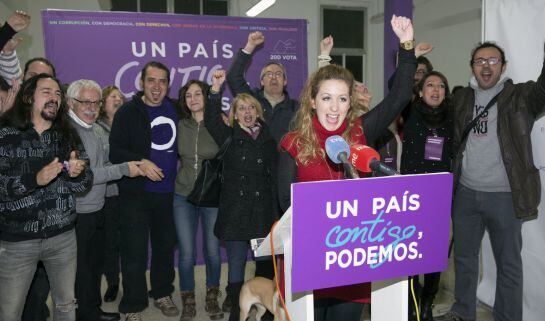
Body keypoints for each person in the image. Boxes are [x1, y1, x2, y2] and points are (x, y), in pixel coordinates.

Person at [278, 15, 416, 321]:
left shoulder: (360, 133)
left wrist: (406, 46)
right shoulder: (293, 143)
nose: (335, 107)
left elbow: (401, 96)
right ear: (313, 101)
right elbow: (285, 207)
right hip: (310, 259)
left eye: (342, 99)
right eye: (327, 98)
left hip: (349, 261)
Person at [435, 42, 545, 321]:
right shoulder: (461, 99)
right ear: (472, 66)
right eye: (479, 61)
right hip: (466, 195)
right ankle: (462, 312)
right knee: (464, 259)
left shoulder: (521, 96)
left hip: (506, 195)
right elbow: (431, 109)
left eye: (493, 60)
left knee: (509, 265)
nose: (486, 66)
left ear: (503, 66)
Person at [0, 73, 92, 321]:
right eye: (47, 92)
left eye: (58, 94)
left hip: (62, 237)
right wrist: (34, 180)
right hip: (17, 242)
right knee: (9, 312)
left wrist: (77, 173)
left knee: (66, 306)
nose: (54, 98)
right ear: (29, 97)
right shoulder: (6, 135)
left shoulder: (68, 135)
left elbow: (86, 182)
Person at [67, 79, 143, 321]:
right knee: (82, 268)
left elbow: (106, 163)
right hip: (78, 212)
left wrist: (133, 162)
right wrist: (124, 169)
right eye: (85, 102)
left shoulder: (96, 129)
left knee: (94, 265)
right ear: (71, 102)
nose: (92, 107)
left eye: (96, 102)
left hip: (98, 207)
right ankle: (83, 314)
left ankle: (92, 310)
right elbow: (87, 175)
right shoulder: (68, 133)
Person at [205, 70, 278, 321]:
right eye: (241, 108)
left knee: (265, 264)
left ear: (258, 112)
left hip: (262, 212)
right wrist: (215, 90)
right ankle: (237, 314)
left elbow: (276, 175)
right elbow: (211, 119)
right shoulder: (228, 135)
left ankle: (268, 313)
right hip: (236, 211)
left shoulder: (269, 140)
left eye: (251, 108)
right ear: (234, 115)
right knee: (235, 265)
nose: (247, 112)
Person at [110, 61, 180, 321]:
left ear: (168, 85)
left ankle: (162, 292)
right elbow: (115, 150)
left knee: (164, 247)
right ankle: (132, 304)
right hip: (135, 193)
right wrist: (141, 161)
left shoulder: (174, 108)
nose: (157, 86)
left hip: (167, 193)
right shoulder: (128, 111)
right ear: (141, 82)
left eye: (162, 81)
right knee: (134, 251)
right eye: (152, 80)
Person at [400, 71, 453, 321]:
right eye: (430, 85)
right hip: (411, 194)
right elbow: (397, 88)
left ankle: (428, 303)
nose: (435, 90)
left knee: (434, 256)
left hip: (439, 195)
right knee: (411, 253)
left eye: (441, 86)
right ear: (420, 91)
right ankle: (412, 303)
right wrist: (406, 59)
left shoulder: (452, 116)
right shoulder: (410, 111)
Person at [173, 80, 224, 321]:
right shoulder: (180, 125)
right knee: (186, 253)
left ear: (206, 97)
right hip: (183, 195)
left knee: (213, 251)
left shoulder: (218, 123)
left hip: (212, 196)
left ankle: (212, 297)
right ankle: (189, 300)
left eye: (198, 94)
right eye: (188, 95)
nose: (193, 99)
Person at [226, 31, 299, 143]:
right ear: (261, 81)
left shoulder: (296, 108)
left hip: (284, 160)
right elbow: (233, 76)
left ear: (285, 81)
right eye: (269, 74)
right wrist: (250, 46)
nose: (274, 77)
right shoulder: (251, 99)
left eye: (278, 74)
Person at [97, 85, 125, 303]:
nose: (119, 99)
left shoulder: (128, 126)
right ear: (103, 103)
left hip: (130, 192)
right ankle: (113, 282)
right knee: (108, 243)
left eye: (120, 97)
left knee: (127, 241)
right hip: (107, 194)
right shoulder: (96, 128)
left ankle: (133, 282)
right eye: (113, 97)